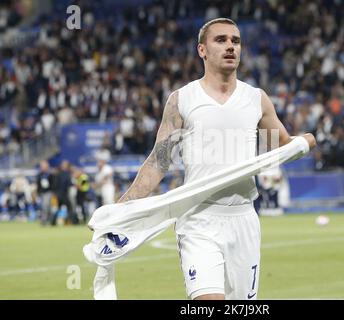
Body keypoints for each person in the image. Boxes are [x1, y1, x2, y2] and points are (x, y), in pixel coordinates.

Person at [116, 18, 316, 300]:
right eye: (220, 40)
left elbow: (277, 149)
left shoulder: (256, 99)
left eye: (235, 41)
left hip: (243, 218)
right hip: (198, 218)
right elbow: (159, 162)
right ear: (202, 50)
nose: (230, 46)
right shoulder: (182, 100)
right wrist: (121, 208)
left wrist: (304, 141)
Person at [36, 160, 55, 225]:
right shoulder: (40, 175)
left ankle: (47, 220)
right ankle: (46, 220)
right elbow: (38, 184)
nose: (42, 167)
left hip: (49, 192)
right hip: (42, 193)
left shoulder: (50, 174)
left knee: (46, 206)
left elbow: (53, 184)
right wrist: (38, 192)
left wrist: (53, 192)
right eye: (41, 166)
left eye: (43, 166)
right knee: (44, 207)